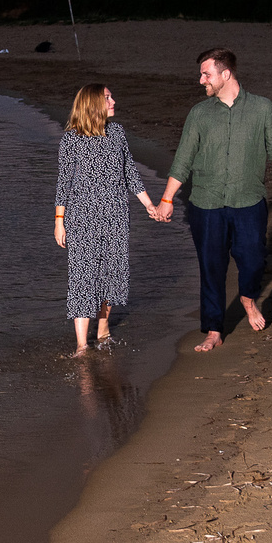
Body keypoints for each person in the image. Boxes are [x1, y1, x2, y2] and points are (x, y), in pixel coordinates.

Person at [152, 48, 272, 353]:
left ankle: (248, 298)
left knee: (253, 259)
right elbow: (183, 159)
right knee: (211, 268)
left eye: (206, 74)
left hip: (248, 201)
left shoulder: (262, 109)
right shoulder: (199, 114)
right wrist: (166, 198)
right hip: (206, 203)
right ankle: (214, 330)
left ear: (226, 74)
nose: (201, 80)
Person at [54, 83, 159, 355]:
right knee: (83, 277)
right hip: (82, 218)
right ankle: (81, 345)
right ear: (92, 104)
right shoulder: (71, 139)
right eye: (107, 98)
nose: (113, 101)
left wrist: (149, 204)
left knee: (112, 273)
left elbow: (129, 172)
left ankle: (103, 328)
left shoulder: (117, 133)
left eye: (111, 97)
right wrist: (59, 220)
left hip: (116, 216)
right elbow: (64, 182)